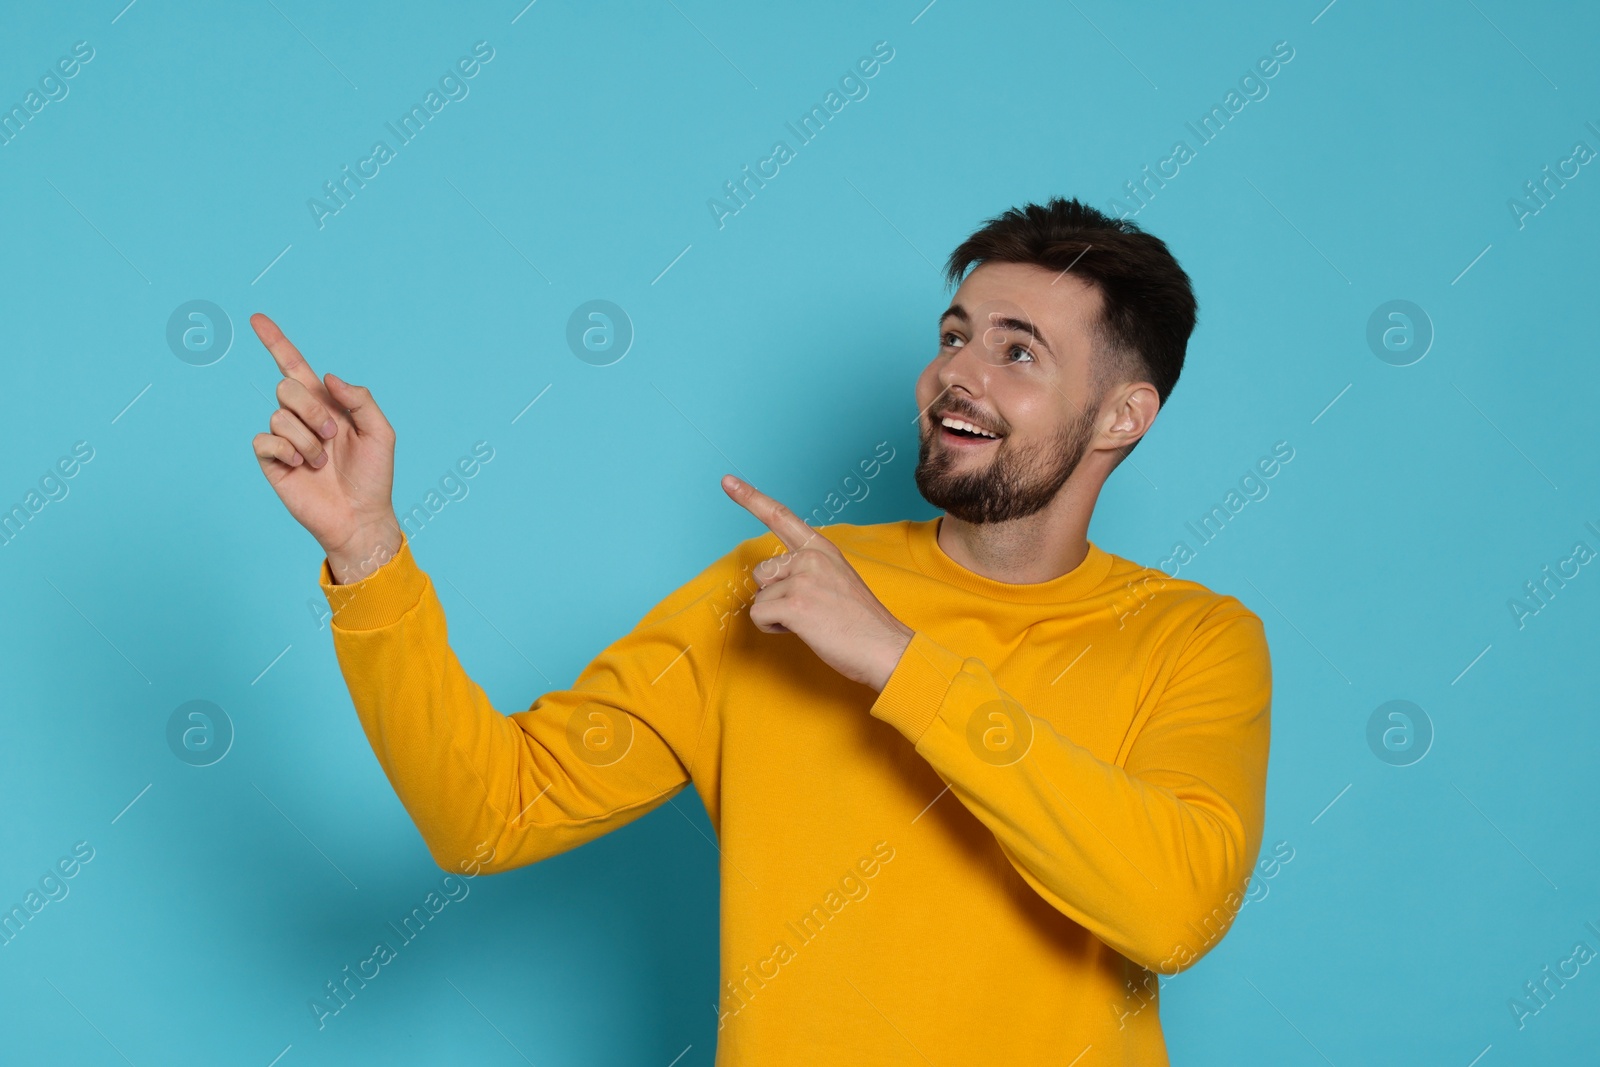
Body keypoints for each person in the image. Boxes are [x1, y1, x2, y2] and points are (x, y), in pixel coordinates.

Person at [250, 197, 1271, 1064]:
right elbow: (489, 811)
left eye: (1019, 352)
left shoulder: (1192, 639)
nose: (960, 373)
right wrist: (368, 549)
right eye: (955, 334)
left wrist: (898, 660)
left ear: (1120, 416)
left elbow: (1172, 910)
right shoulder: (778, 588)